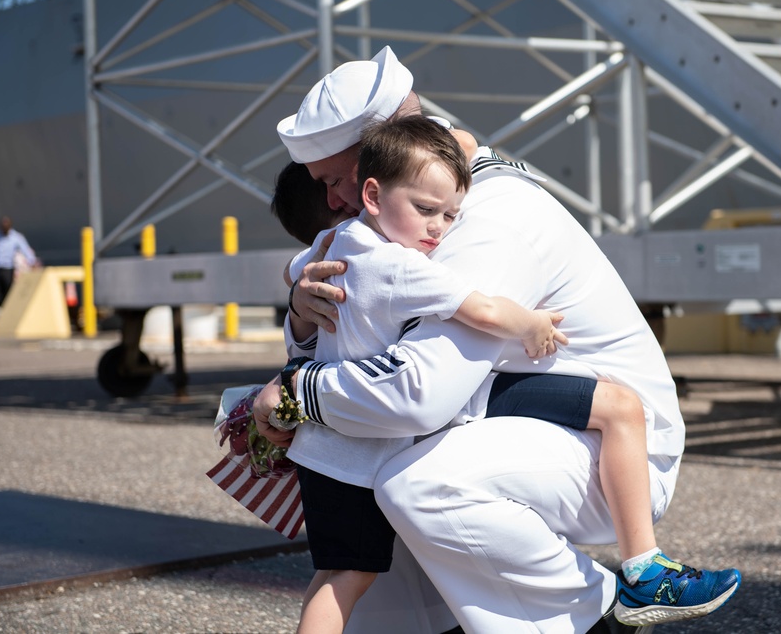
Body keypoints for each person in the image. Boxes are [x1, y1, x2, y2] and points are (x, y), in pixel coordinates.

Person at [255, 46, 741, 632]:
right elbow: (367, 350)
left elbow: (419, 395)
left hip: (612, 453)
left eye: (335, 180)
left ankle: (599, 612)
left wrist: (293, 395)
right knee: (367, 497)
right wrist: (303, 316)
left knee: (420, 485)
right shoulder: (421, 214)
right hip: (518, 419)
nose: (331, 203)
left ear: (387, 157)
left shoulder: (481, 225)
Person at [270, 116, 569, 632]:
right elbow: (484, 312)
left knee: (333, 574)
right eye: (426, 210)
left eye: (452, 216)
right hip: (355, 452)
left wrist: (297, 290)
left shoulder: (337, 243)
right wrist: (532, 322)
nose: (438, 229)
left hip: (321, 449)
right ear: (373, 195)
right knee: (348, 578)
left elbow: (295, 268)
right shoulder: (399, 267)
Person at [0, 216, 39, 309]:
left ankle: (8, 310)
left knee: (8, 292)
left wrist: (32, 261)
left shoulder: (16, 237)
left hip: (7, 268)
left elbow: (25, 249)